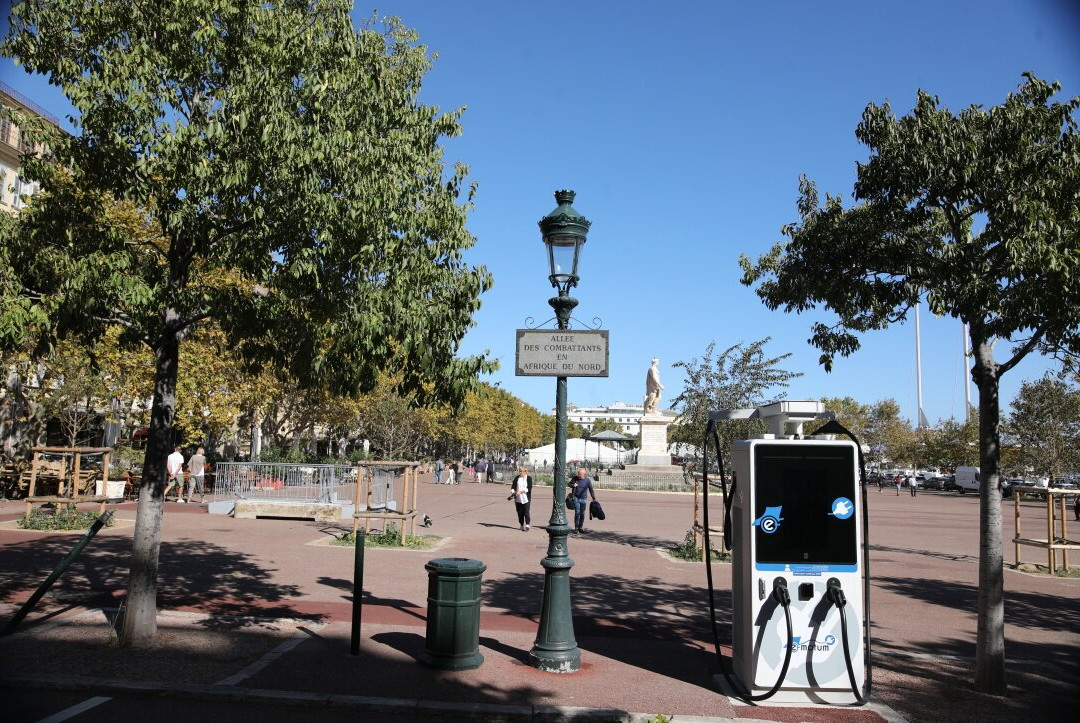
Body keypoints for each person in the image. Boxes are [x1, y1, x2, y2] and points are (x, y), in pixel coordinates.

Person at [569, 467, 597, 533]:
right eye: (578, 474)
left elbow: (591, 489)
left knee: (582, 513)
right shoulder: (575, 478)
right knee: (577, 513)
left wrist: (593, 497)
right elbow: (569, 484)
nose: (578, 475)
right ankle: (576, 528)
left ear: (584, 474)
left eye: (580, 474)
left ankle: (580, 527)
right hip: (576, 498)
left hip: (583, 499)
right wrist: (573, 485)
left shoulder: (587, 481)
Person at [507, 467, 533, 531]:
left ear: (525, 472)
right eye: (520, 471)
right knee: (520, 513)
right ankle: (521, 524)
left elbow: (529, 488)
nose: (521, 472)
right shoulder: (517, 478)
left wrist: (521, 492)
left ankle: (527, 525)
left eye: (522, 471)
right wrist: (513, 493)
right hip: (518, 498)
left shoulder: (529, 478)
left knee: (526, 511)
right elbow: (513, 487)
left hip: (526, 498)